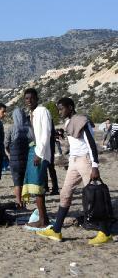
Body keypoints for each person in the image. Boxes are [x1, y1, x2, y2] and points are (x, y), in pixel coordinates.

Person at [37, 97, 113, 245]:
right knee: (65, 193)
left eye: (62, 108)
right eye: (58, 109)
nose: (59, 112)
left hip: (86, 161)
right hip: (74, 161)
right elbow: (75, 141)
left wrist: (95, 165)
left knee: (94, 197)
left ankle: (105, 233)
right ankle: (56, 230)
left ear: (70, 107)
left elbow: (91, 143)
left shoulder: (81, 120)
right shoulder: (68, 122)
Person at [22, 88, 52, 228]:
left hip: (39, 153)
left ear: (37, 98)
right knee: (36, 188)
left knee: (38, 187)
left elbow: (46, 133)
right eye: (26, 99)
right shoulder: (32, 113)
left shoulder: (42, 111)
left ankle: (43, 220)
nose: (29, 101)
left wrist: (39, 154)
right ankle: (42, 218)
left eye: (31, 98)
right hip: (33, 150)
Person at [5, 108, 34, 208]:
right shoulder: (28, 129)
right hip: (26, 160)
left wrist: (9, 154)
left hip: (14, 160)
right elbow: (33, 142)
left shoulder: (11, 128)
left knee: (17, 183)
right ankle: (25, 202)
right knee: (25, 182)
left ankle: (18, 202)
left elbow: (6, 144)